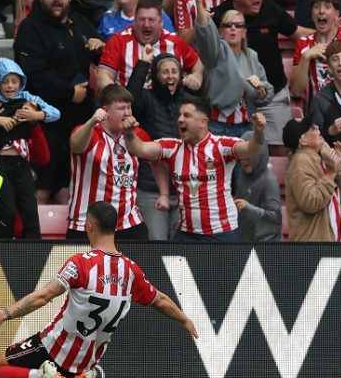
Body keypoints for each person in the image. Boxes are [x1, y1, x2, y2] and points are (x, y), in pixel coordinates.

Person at [0, 201, 198, 378]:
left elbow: (43, 296)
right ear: (116, 227)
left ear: (89, 226)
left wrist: (2, 315)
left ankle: (44, 376)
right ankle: (77, 377)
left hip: (53, 348)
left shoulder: (80, 264)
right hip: (86, 363)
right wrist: (184, 319)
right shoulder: (131, 270)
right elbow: (159, 299)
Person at [125, 96, 268, 241]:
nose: (180, 119)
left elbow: (252, 149)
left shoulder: (222, 146)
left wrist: (258, 133)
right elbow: (140, 149)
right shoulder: (171, 147)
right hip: (187, 233)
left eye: (187, 115)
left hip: (221, 232)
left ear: (203, 122)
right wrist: (129, 133)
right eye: (179, 115)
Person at [13, 0, 100, 204]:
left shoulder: (80, 23)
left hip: (78, 123)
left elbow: (101, 54)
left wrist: (99, 46)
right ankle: (33, 240)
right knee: (42, 188)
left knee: (70, 189)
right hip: (44, 123)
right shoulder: (30, 28)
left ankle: (74, 237)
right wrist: (69, 92)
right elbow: (32, 74)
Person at [213, 0, 311, 151]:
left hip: (272, 94)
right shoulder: (220, 15)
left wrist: (329, 34)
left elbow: (299, 33)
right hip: (234, 103)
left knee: (281, 151)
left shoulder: (269, 9)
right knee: (232, 155)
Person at [0, 57, 60, 239]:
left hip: (22, 163)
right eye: (4, 81)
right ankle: (3, 251)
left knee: (30, 210)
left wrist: (35, 115)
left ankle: (34, 254)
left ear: (21, 82)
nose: (10, 86)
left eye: (14, 81)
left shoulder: (28, 98)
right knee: (6, 211)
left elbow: (55, 113)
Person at [67, 84, 150, 240]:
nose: (127, 113)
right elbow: (75, 146)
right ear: (105, 111)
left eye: (129, 108)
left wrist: (164, 193)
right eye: (121, 108)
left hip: (128, 223)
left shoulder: (136, 133)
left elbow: (155, 158)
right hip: (87, 224)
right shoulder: (88, 131)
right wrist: (92, 122)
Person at [192, 0, 273, 138]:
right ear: (221, 32)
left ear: (244, 32)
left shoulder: (252, 56)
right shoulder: (216, 52)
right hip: (217, 126)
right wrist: (198, 4)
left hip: (246, 126)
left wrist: (260, 90)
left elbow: (265, 96)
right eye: (228, 25)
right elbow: (206, 37)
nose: (233, 29)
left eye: (238, 25)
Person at [127, 52, 188, 240]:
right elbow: (131, 98)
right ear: (156, 75)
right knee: (157, 245)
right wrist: (143, 63)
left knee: (182, 249)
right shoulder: (146, 98)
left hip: (184, 189)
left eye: (174, 71)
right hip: (150, 188)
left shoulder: (188, 101)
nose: (170, 76)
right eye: (165, 72)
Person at [97, 0, 203, 92]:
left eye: (151, 20)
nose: (146, 24)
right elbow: (103, 76)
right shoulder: (118, 41)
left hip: (166, 108)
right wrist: (119, 98)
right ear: (134, 21)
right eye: (142, 19)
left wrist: (197, 75)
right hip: (130, 106)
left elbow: (198, 64)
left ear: (161, 22)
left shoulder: (174, 42)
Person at [282, 115, 341, 242]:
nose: (317, 128)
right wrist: (330, 175)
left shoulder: (321, 153)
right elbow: (310, 202)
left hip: (328, 241)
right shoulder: (300, 162)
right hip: (311, 246)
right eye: (311, 129)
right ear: (303, 141)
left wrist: (337, 162)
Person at [291, 0, 341, 102]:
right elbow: (297, 91)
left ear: (336, 14)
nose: (321, 11)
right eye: (317, 7)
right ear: (312, 14)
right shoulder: (303, 43)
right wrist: (306, 58)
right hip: (320, 109)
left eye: (327, 7)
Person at [232, 131, 282, 241]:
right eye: (241, 154)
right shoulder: (242, 176)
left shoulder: (268, 181)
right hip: (245, 240)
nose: (243, 159)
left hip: (266, 245)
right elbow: (243, 200)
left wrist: (249, 208)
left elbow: (276, 217)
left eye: (247, 154)